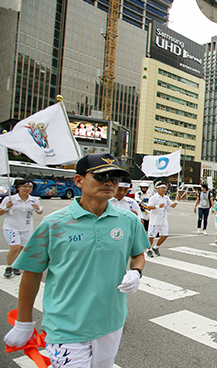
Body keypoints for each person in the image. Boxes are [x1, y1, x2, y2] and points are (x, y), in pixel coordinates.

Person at [3, 153, 149, 367]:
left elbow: (138, 254)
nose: (109, 182)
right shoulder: (54, 223)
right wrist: (23, 322)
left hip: (112, 321)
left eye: (115, 178)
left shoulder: (128, 220)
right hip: (66, 325)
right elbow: (32, 273)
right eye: (101, 176)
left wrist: (136, 272)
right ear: (79, 180)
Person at [0, 179, 43, 278]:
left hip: (27, 228)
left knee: (22, 249)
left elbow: (40, 211)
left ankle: (16, 265)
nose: (27, 189)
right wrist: (6, 207)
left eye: (30, 187)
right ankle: (9, 267)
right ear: (18, 188)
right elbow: (0, 212)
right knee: (15, 247)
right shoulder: (10, 199)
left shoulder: (34, 200)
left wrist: (38, 208)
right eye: (25, 186)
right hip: (11, 227)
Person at [145, 182, 179, 257]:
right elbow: (148, 207)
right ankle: (148, 249)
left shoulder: (166, 198)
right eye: (162, 188)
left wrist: (176, 201)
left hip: (163, 220)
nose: (164, 190)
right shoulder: (154, 197)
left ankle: (156, 247)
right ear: (157, 189)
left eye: (165, 188)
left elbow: (172, 206)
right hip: (155, 220)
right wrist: (158, 206)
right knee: (151, 236)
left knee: (165, 235)